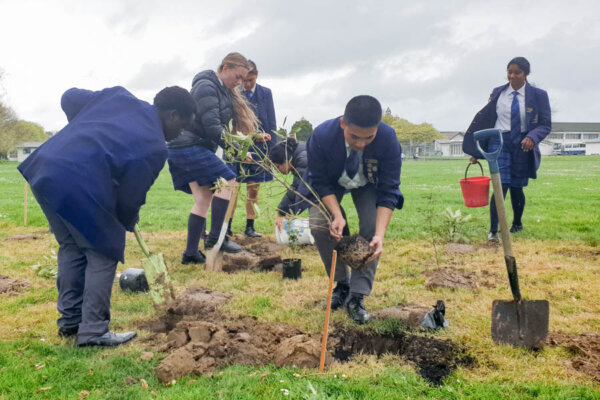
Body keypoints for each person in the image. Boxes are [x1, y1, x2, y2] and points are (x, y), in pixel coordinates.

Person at [17, 85, 195, 347]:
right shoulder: (155, 146)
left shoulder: (118, 96)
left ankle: (70, 322)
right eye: (181, 127)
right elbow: (128, 198)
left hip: (46, 169)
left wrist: (86, 133)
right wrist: (129, 217)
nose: (179, 134)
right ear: (172, 114)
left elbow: (70, 97)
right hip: (78, 181)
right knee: (105, 249)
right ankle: (93, 331)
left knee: (72, 246)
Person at [306, 95, 403, 324]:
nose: (360, 144)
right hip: (332, 184)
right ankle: (342, 284)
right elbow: (319, 180)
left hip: (369, 184)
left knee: (370, 227)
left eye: (369, 137)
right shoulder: (321, 136)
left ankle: (357, 296)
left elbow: (389, 189)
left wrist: (379, 234)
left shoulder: (388, 139)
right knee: (320, 224)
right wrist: (337, 215)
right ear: (343, 124)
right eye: (354, 137)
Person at [167, 52, 258, 264]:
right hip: (189, 146)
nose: (239, 83)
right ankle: (216, 239)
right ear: (224, 68)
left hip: (187, 146)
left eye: (242, 79)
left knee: (203, 199)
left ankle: (190, 254)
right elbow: (213, 128)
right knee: (229, 180)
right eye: (237, 77)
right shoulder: (206, 87)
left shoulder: (221, 90)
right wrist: (238, 152)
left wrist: (245, 146)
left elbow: (219, 128)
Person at [462, 57, 551, 242]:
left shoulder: (539, 95)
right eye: (509, 72)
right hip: (499, 140)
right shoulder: (497, 93)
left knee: (517, 187)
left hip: (522, 143)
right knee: (500, 185)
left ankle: (517, 223)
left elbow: (545, 125)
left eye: (516, 72)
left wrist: (532, 137)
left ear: (525, 74)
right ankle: (494, 230)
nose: (511, 76)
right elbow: (486, 120)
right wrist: (477, 151)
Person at [229, 59, 278, 238]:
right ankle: (227, 225)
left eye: (251, 81)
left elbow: (271, 122)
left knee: (253, 188)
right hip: (237, 147)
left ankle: (250, 226)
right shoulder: (233, 94)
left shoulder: (266, 93)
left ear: (256, 76)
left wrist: (271, 151)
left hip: (259, 149)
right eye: (245, 81)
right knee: (233, 188)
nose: (248, 85)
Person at [270, 138, 307, 232]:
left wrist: (283, 212)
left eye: (277, 167)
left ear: (285, 160)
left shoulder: (302, 159)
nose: (278, 171)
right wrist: (288, 211)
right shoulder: (298, 155)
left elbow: (299, 188)